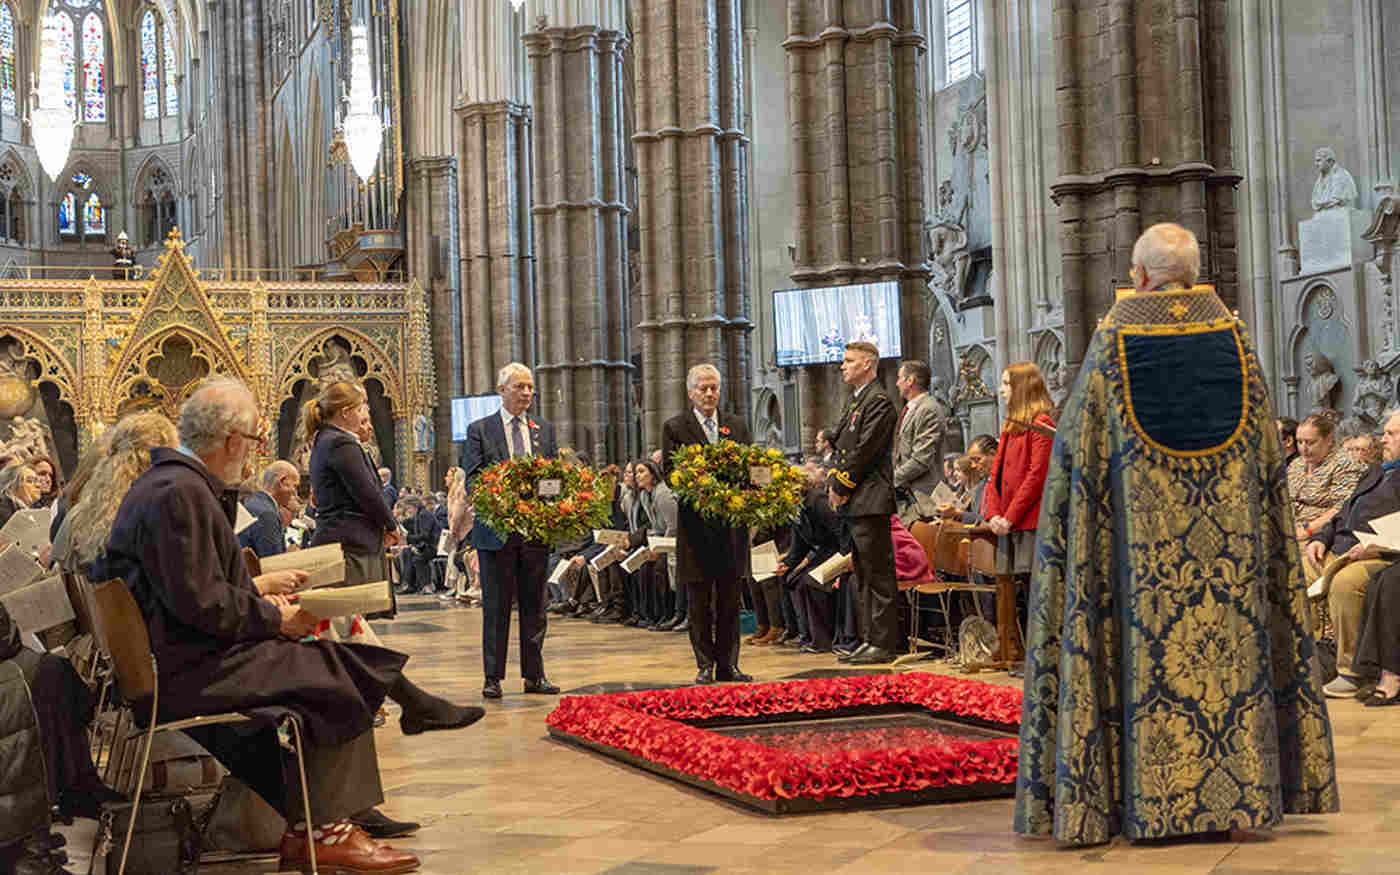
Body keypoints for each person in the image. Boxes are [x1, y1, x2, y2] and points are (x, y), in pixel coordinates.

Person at [1015, 222, 1337, 846]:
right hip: (1233, 567)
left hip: (1140, 567)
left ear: (1138, 276)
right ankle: (1240, 794)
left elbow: (1075, 459)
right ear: (1192, 273)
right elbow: (1268, 459)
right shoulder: (1236, 340)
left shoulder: (1114, 340)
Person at [96, 376, 485, 872]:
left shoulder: (172, 485)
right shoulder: (178, 493)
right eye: (256, 440)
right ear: (232, 440)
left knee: (330, 661)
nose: (255, 453)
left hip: (181, 658)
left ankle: (323, 823)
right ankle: (326, 829)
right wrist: (276, 620)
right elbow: (200, 603)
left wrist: (259, 594)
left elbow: (189, 589)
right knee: (330, 675)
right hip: (187, 671)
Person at [461, 362, 561, 700]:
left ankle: (535, 675)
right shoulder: (480, 429)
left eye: (530, 387)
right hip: (496, 532)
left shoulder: (544, 429)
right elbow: (473, 479)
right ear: (502, 390)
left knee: (535, 606)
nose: (527, 393)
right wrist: (504, 498)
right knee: (496, 607)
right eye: (520, 387)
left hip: (534, 532)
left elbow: (553, 477)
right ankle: (493, 676)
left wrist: (547, 500)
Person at [662, 363, 753, 684]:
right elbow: (671, 476)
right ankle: (704, 664)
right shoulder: (675, 427)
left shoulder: (737, 425)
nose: (710, 393)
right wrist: (702, 487)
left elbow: (750, 468)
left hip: (731, 528)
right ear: (691, 393)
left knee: (730, 599)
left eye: (714, 387)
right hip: (696, 528)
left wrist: (764, 485)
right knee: (699, 602)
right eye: (703, 388)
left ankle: (729, 664)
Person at [1303, 408, 1400, 697]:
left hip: (1379, 553)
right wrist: (1319, 538)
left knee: (1346, 584)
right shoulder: (1375, 472)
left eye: (1390, 434)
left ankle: (1351, 671)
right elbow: (1341, 512)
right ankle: (1307, 660)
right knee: (1293, 573)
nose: (1382, 440)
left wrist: (1375, 547)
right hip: (1339, 546)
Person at [825, 341, 900, 666]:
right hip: (858, 499)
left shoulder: (879, 401)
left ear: (868, 364)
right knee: (864, 574)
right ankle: (868, 638)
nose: (843, 366)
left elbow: (865, 450)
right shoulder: (858, 400)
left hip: (870, 498)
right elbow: (843, 443)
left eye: (849, 361)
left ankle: (882, 642)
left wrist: (841, 485)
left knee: (877, 574)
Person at [304, 381, 401, 591]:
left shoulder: (326, 438)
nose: (363, 415)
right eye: (359, 409)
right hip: (349, 544)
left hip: (341, 538)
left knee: (349, 619)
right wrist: (391, 525)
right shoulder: (340, 443)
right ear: (346, 412)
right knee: (349, 615)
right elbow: (367, 492)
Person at [982, 362, 1055, 580]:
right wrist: (993, 514)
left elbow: (1037, 476)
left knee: (1031, 587)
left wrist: (1009, 518)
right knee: (1012, 590)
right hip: (1006, 521)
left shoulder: (1041, 423)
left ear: (1022, 387)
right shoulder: (1011, 424)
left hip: (1028, 521)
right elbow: (995, 475)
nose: (1001, 390)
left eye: (1006, 384)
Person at [1288, 414, 1364, 541]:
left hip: (1322, 535)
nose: (1303, 448)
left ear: (1328, 439)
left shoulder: (1344, 463)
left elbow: (1341, 508)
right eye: (1299, 442)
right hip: (1290, 530)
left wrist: (1307, 530)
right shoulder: (1297, 464)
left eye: (1310, 442)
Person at [892, 359, 945, 524]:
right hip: (907, 498)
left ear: (910, 380)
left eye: (900, 378)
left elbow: (922, 460)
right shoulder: (910, 408)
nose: (896, 383)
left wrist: (891, 480)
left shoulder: (928, 408)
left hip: (923, 499)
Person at [240, 460, 300, 558]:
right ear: (283, 482)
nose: (295, 494)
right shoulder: (267, 514)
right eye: (295, 486)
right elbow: (274, 563)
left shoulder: (255, 503)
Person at [0, 462, 40, 526]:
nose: (38, 485)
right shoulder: (4, 513)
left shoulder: (33, 510)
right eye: (30, 481)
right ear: (11, 488)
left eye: (37, 481)